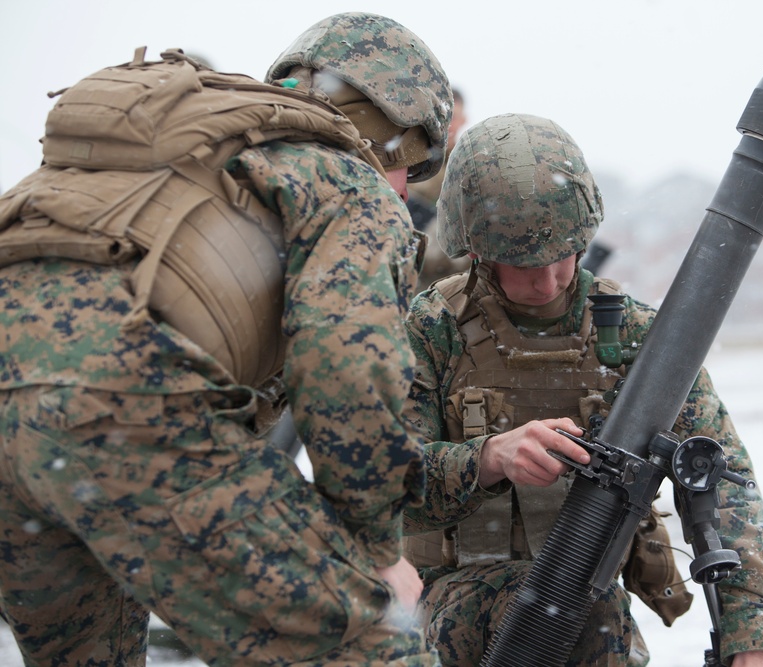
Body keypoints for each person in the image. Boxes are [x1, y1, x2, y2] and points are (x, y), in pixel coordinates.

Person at [0, 12, 452, 666]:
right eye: (415, 169)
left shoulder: (200, 158)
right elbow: (347, 370)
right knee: (367, 647)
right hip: (125, 411)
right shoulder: (344, 176)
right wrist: (376, 552)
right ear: (399, 141)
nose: (408, 191)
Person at [402, 114, 763, 667]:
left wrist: (752, 633)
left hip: (593, 614)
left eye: (560, 253)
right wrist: (488, 458)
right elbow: (384, 483)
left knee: (596, 617)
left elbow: (723, 487)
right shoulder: (432, 329)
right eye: (520, 262)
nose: (545, 280)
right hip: (454, 612)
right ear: (475, 250)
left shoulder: (637, 337)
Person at [406, 88, 473, 293]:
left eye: (453, 117)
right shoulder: (405, 161)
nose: (447, 124)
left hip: (444, 286)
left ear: (464, 120)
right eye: (442, 116)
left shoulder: (468, 169)